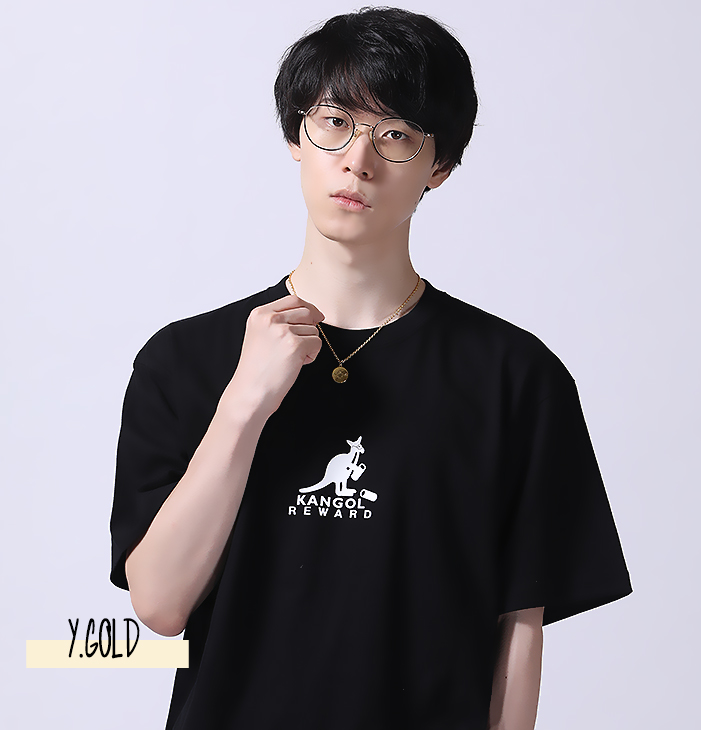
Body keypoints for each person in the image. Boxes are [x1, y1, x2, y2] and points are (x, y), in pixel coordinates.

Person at [110, 7, 632, 729]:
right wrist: (243, 406)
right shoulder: (184, 361)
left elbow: (520, 628)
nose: (357, 160)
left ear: (439, 167)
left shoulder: (515, 379)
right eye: (334, 122)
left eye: (396, 135)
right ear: (296, 135)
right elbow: (160, 606)